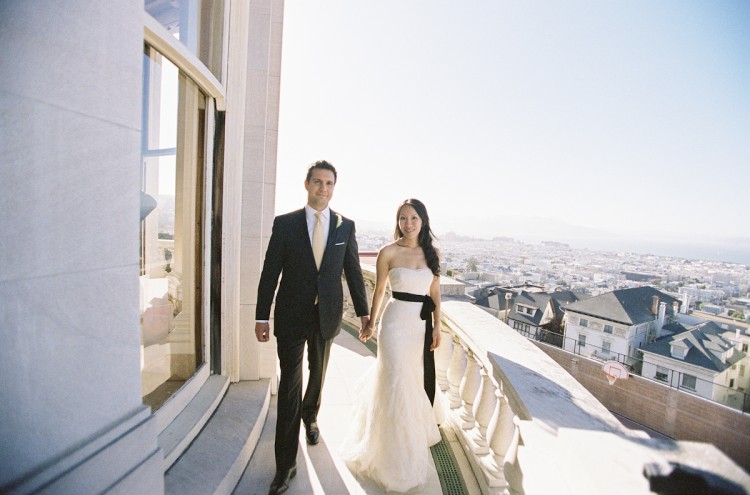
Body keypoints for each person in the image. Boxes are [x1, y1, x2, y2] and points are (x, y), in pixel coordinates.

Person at [255, 160, 370, 495]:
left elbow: (352, 272)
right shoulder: (286, 224)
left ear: (334, 188)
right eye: (317, 182)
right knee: (289, 385)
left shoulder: (344, 226)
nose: (323, 188)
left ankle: (311, 416)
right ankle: (285, 466)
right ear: (306, 185)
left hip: (327, 317)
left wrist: (364, 313)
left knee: (318, 373)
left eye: (329, 183)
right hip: (290, 316)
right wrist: (262, 316)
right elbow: (269, 273)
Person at [341, 198, 442, 493]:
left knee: (410, 379)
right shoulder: (388, 252)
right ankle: (391, 454)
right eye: (402, 218)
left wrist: (437, 325)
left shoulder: (432, 253)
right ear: (397, 221)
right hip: (395, 324)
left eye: (413, 218)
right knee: (395, 379)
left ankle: (410, 437)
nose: (407, 223)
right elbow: (381, 290)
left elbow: (435, 292)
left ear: (423, 221)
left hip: (419, 327)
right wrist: (370, 322)